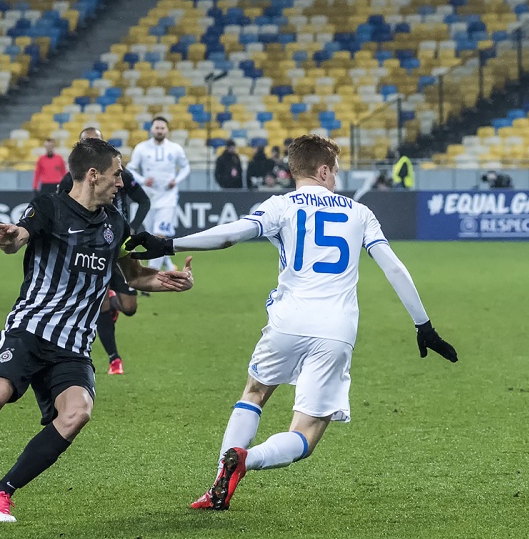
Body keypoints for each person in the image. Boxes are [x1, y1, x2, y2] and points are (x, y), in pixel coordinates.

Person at [128, 134, 458, 511]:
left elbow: (230, 235)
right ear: (323, 170)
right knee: (306, 433)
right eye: (335, 171)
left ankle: (219, 480)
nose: (336, 178)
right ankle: (246, 459)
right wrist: (423, 326)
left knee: (254, 392)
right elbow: (394, 269)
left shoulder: (280, 205)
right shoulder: (360, 212)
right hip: (335, 330)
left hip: (287, 321)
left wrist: (169, 244)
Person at [0, 137, 194, 523]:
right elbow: (20, 236)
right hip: (30, 330)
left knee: (77, 413)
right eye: (117, 175)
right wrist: (11, 238)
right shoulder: (50, 207)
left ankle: (0, 492)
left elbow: (132, 275)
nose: (122, 183)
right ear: (93, 175)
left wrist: (164, 281)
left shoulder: (115, 223)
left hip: (73, 344)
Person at [58, 126, 152, 375]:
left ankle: (113, 301)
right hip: (89, 247)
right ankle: (114, 359)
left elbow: (144, 200)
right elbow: (60, 211)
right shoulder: (70, 180)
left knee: (129, 307)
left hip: (118, 243)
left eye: (96, 142)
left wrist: (133, 227)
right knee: (101, 304)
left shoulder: (120, 175)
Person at [126, 116, 190, 272]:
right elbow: (130, 169)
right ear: (152, 129)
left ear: (167, 130)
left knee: (160, 234)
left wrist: (176, 180)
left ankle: (152, 271)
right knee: (151, 236)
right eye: (157, 128)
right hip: (148, 198)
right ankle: (167, 264)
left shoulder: (175, 148)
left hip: (168, 198)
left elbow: (185, 167)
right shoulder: (141, 148)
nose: (159, 131)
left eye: (162, 128)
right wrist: (142, 180)